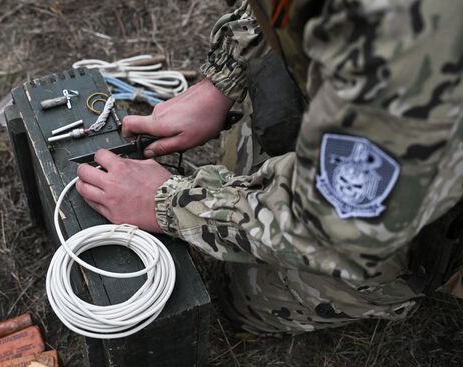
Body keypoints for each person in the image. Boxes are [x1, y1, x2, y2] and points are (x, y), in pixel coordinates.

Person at [75, 0, 463, 334]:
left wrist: (170, 203)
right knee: (251, 139)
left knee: (243, 295)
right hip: (384, 134)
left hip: (393, 209)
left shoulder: (419, 56)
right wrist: (223, 80)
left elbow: (337, 227)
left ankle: (402, 289)